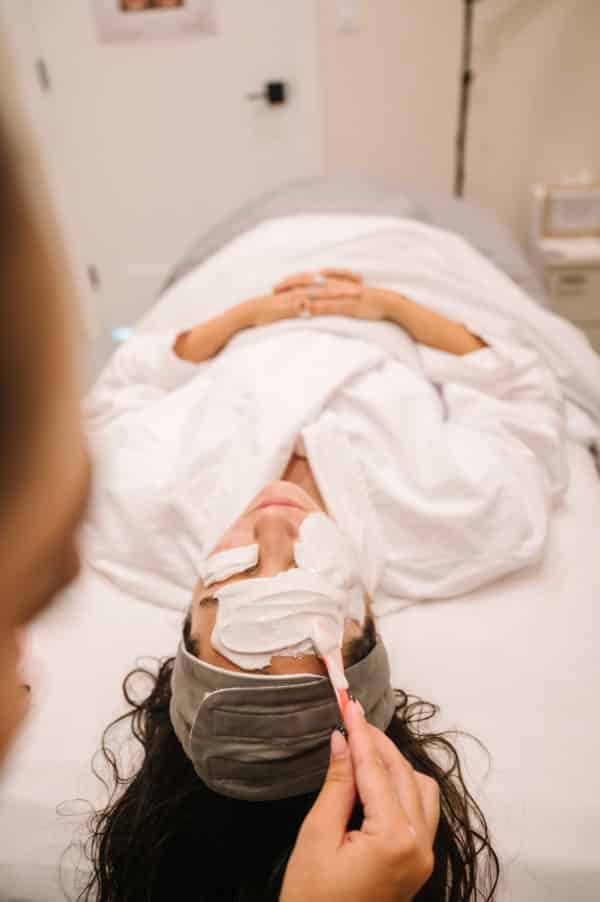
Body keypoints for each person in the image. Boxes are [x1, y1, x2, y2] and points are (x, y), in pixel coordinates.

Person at [0, 111, 447, 902]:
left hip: (241, 294)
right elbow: (519, 392)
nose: (274, 526)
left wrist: (246, 315)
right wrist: (387, 307)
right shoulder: (448, 514)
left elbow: (129, 379)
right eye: (307, 576)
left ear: (190, 597)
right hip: (402, 289)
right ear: (369, 604)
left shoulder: (130, 509)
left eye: (230, 581)